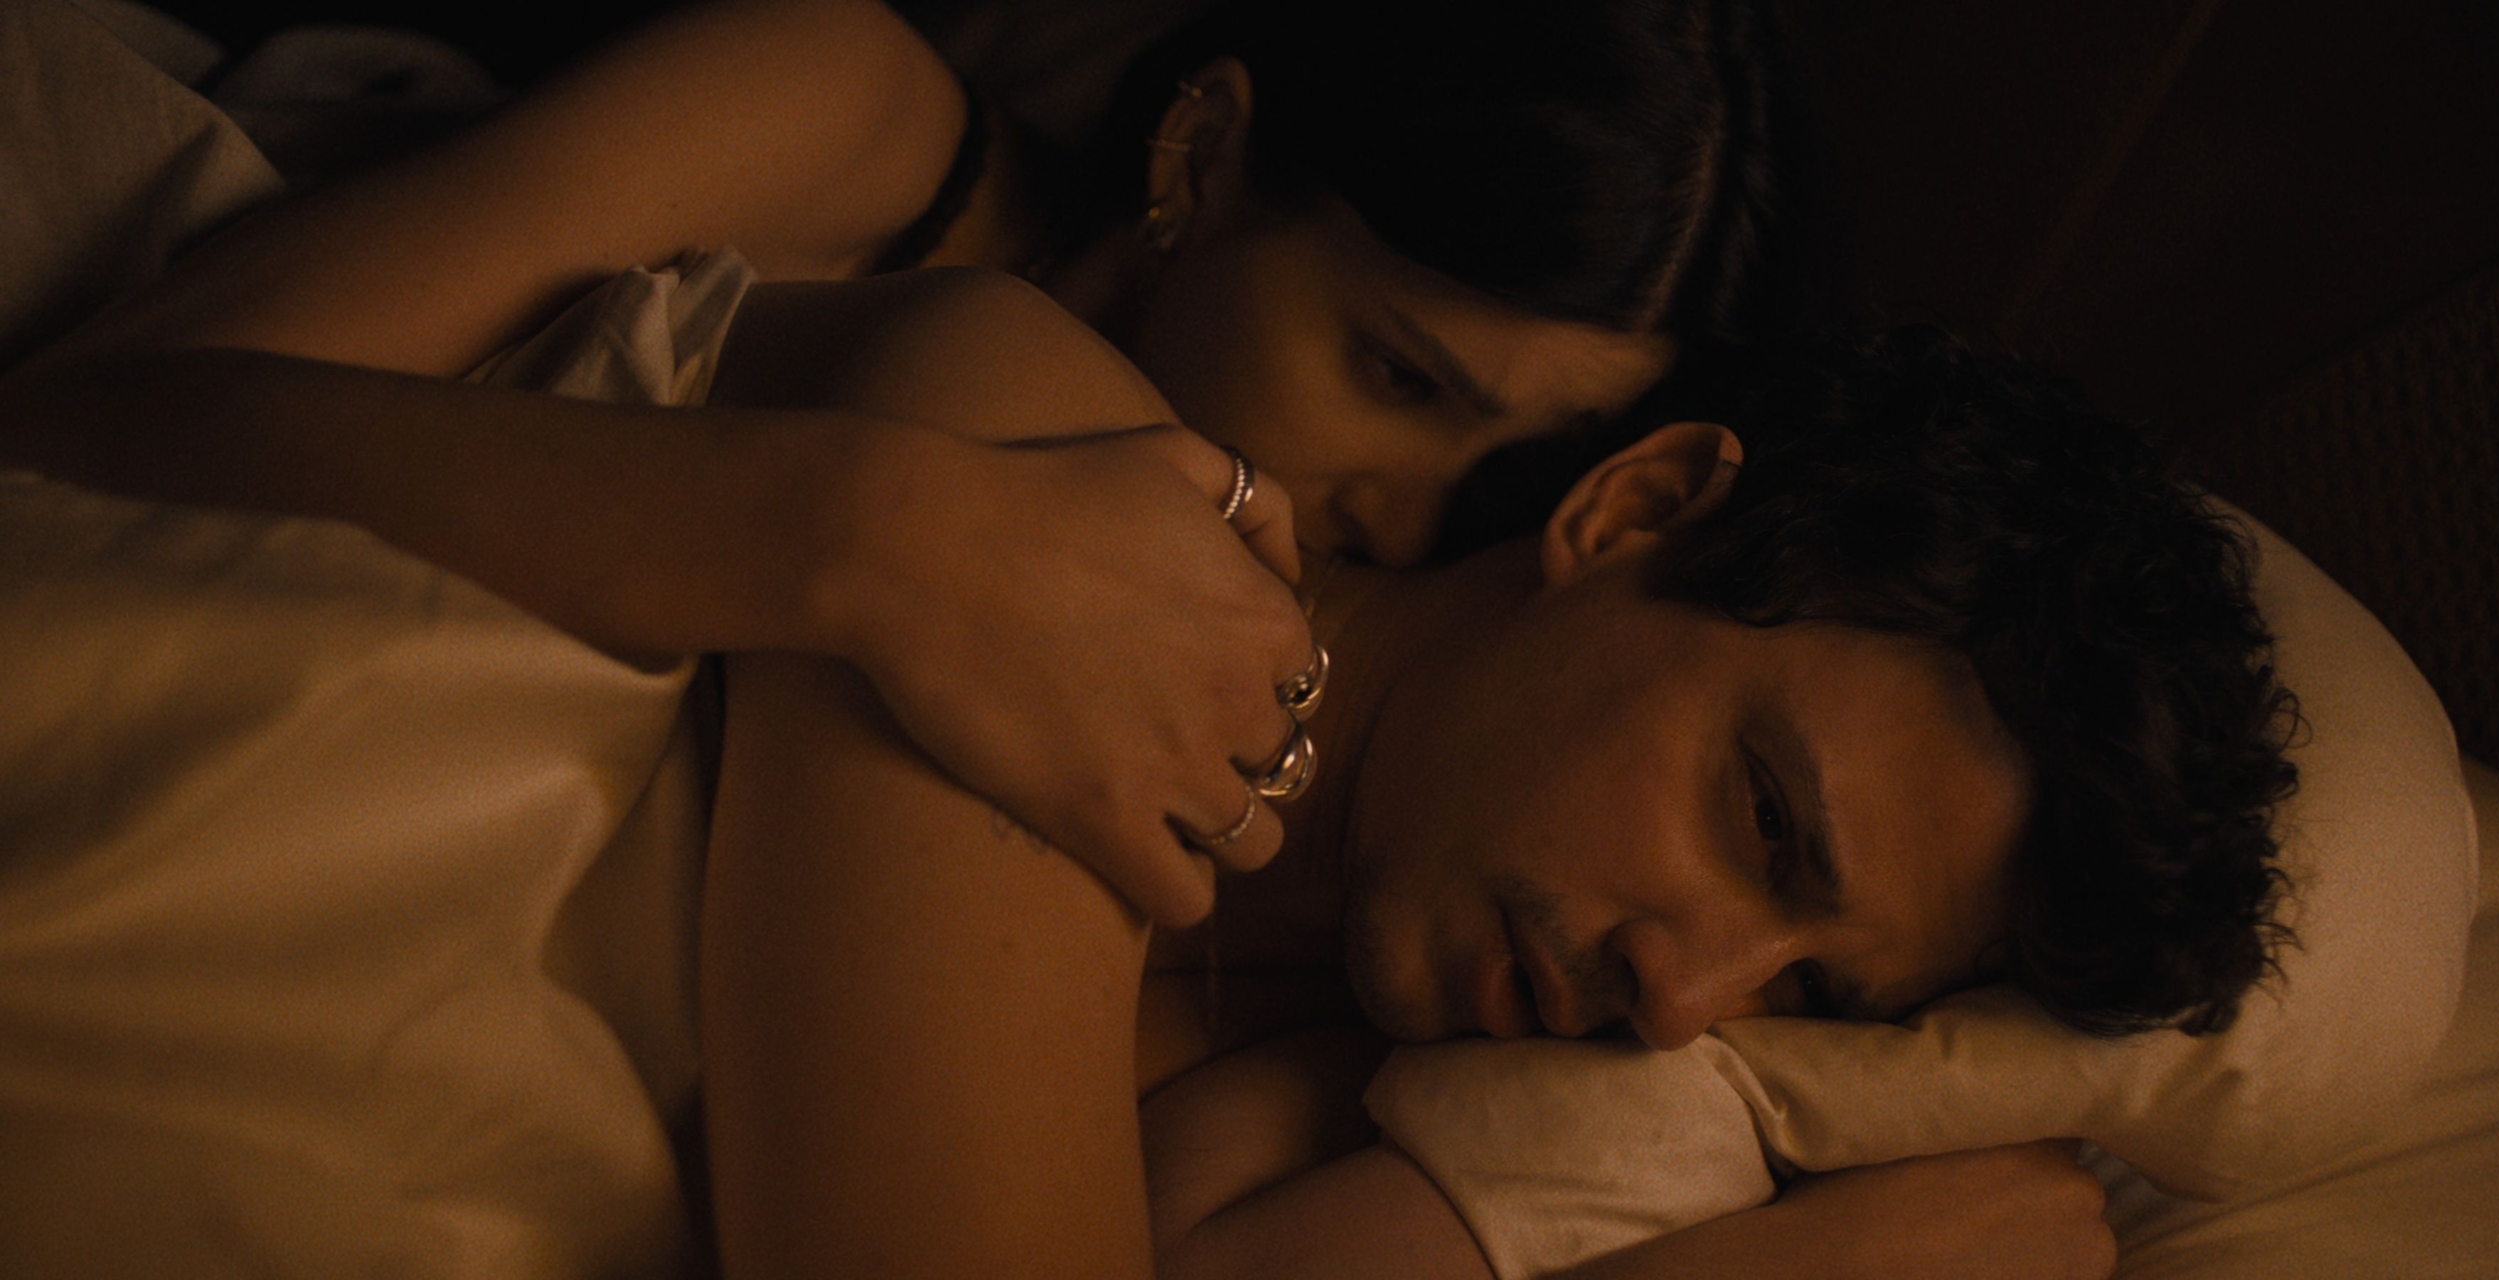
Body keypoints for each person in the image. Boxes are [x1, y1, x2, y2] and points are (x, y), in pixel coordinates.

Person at [0, 0, 1784, 929]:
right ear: (1208, 155)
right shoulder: (841, 113)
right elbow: (89, 417)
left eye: (1497, 471)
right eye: (1394, 373)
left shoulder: (1316, 618)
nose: (1399, 512)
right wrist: (862, 531)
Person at [690, 285, 2300, 1278]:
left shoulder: (1326, 1106)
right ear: (1637, 514)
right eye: (1761, 823)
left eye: (1809, 996)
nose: (1682, 1003)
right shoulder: (1051, 467)